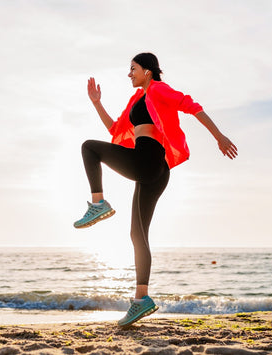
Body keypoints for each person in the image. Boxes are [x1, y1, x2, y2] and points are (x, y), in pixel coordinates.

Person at [74, 53, 238, 327]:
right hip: (154, 171)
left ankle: (98, 203)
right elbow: (116, 129)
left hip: (149, 161)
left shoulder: (159, 90)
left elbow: (192, 106)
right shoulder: (136, 101)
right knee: (137, 234)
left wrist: (219, 137)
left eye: (133, 69)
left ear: (148, 71)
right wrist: (97, 103)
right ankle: (142, 300)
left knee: (89, 147)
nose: (130, 74)